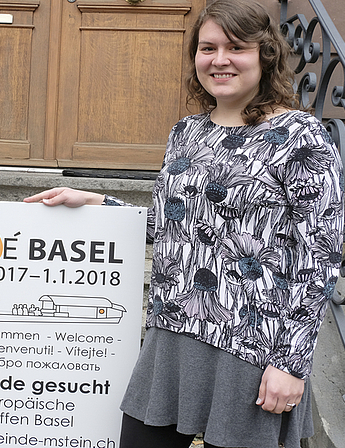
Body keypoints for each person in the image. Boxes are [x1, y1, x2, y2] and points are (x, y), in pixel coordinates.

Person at [25, 1, 343, 447]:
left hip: (251, 347)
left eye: (236, 47)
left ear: (265, 55)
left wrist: (290, 364)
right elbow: (176, 229)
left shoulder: (301, 136)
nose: (219, 60)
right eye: (207, 48)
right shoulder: (186, 132)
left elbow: (321, 257)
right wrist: (96, 201)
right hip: (172, 336)